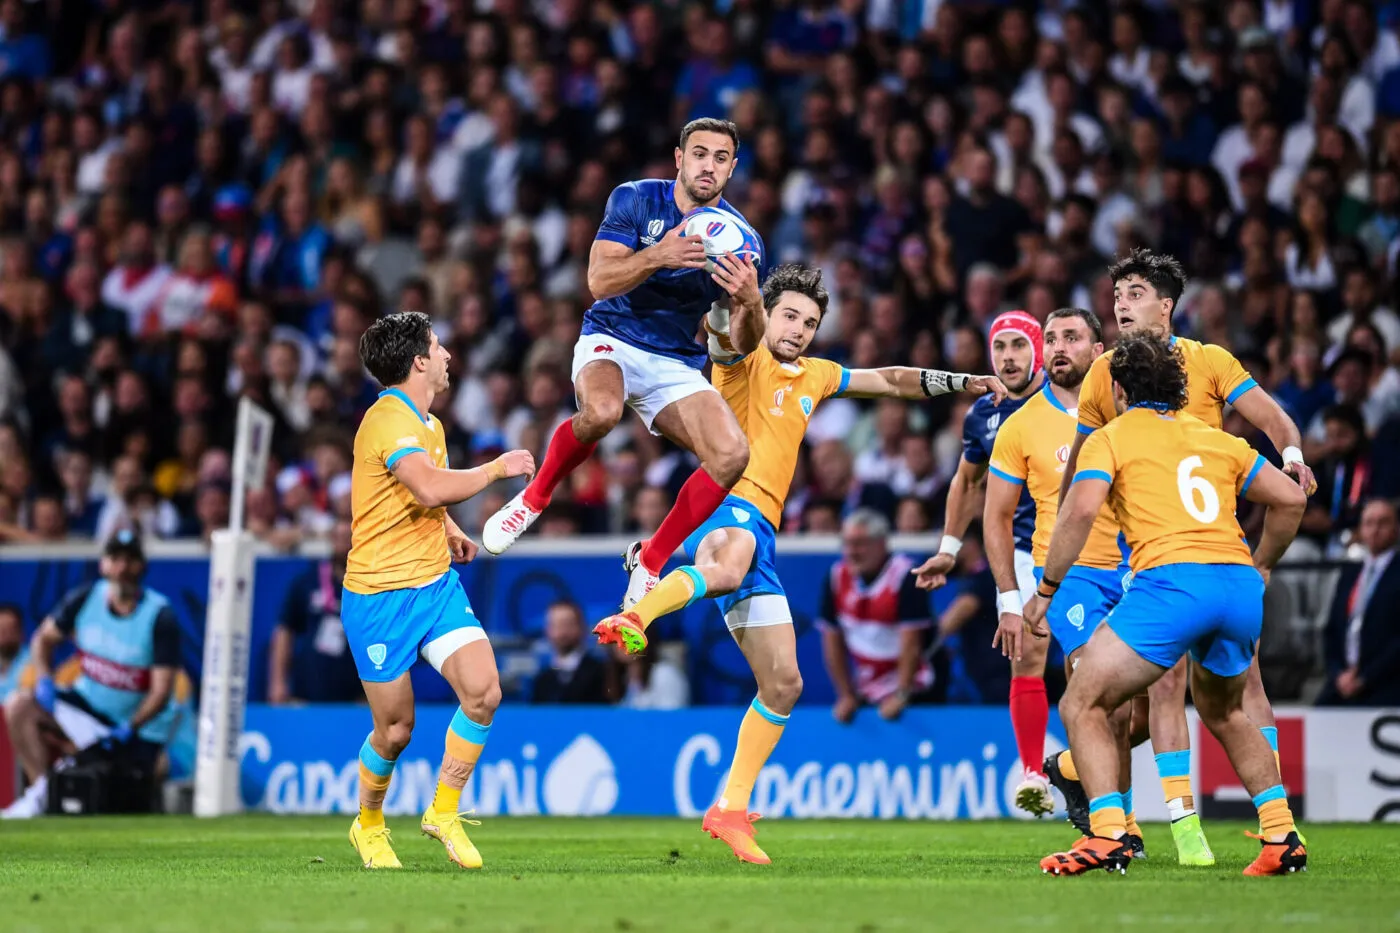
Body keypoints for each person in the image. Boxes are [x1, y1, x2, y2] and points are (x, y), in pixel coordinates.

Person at [593, 263, 1002, 864]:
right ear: (767, 311)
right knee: (727, 566)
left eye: (810, 322)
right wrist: (737, 296)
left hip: (765, 530)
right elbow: (729, 329)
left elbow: (889, 380)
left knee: (784, 683)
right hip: (725, 501)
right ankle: (639, 609)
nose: (799, 329)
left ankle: (729, 808)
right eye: (790, 315)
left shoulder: (817, 374)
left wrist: (961, 380)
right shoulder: (740, 358)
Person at [1055, 248, 1316, 865]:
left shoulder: (1205, 363)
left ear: (1166, 305)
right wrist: (1264, 561)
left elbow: (1081, 493)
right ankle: (1273, 832)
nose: (1121, 302)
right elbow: (1289, 499)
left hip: (1168, 567)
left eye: (1136, 291)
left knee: (1092, 698)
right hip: (1223, 566)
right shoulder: (1212, 435)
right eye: (1116, 292)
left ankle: (1129, 827)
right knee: (1219, 704)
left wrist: (1048, 577)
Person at [482, 118, 761, 611]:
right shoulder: (634, 198)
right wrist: (659, 255)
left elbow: (741, 343)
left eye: (721, 158)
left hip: (674, 359)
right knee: (603, 412)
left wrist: (752, 303)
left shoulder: (743, 241)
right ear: (679, 158)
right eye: (699, 154)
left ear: (732, 168)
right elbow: (599, 279)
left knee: (732, 454)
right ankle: (534, 498)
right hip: (612, 336)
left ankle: (650, 561)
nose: (708, 166)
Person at [342, 311, 534, 870]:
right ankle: (370, 824)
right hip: (379, 598)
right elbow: (425, 484)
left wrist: (449, 530)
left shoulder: (430, 424)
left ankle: (443, 810)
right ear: (420, 361)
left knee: (484, 691)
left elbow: (423, 494)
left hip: (434, 588)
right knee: (396, 730)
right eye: (438, 345)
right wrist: (498, 468)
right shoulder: (387, 420)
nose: (448, 354)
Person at [981, 307, 1140, 831]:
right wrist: (1010, 595)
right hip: (1072, 575)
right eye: (1050, 339)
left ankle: (1069, 769)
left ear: (1099, 351)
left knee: (1134, 713)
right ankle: (1114, 824)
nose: (1056, 348)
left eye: (1071, 337)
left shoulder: (1131, 410)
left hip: (1142, 570)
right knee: (1100, 699)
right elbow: (996, 516)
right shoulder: (1020, 424)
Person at [910, 310, 1051, 815]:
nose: (1008, 358)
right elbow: (967, 483)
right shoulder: (983, 415)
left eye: (1018, 346)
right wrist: (948, 550)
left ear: (1037, 349)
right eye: (1000, 348)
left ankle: (1083, 775)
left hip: (1081, 547)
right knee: (1027, 653)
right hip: (1017, 549)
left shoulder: (1066, 401)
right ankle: (1034, 771)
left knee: (1090, 670)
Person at [2, 531, 181, 819]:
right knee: (19, 705)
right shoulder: (86, 597)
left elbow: (161, 692)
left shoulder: (160, 616)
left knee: (148, 776)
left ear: (141, 567)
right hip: (87, 710)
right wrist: (45, 679)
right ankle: (43, 793)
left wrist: (130, 727)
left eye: (130, 560)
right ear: (104, 565)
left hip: (134, 727)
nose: (122, 568)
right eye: (115, 559)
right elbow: (42, 640)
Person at [818, 509, 943, 719]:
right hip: (869, 687)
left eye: (860, 544)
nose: (852, 552)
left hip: (918, 686)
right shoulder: (836, 577)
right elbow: (831, 640)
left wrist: (902, 694)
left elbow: (912, 643)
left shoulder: (905, 576)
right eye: (847, 544)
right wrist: (846, 694)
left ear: (882, 543)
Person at [267, 519, 363, 704]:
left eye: (348, 538)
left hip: (356, 694)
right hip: (309, 690)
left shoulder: (371, 587)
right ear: (331, 539)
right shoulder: (307, 582)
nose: (343, 545)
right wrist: (277, 682)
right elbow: (285, 631)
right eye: (338, 537)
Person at [1318, 498, 1400, 706]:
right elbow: (1332, 631)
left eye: (1383, 522)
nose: (1375, 530)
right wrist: (1338, 675)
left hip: (1386, 683)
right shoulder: (1350, 574)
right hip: (1343, 682)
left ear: (1396, 528)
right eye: (1369, 523)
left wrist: (1365, 677)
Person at [530, 601, 609, 704]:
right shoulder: (542, 680)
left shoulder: (601, 673)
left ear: (581, 627)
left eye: (567, 624)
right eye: (556, 625)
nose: (561, 632)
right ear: (547, 630)